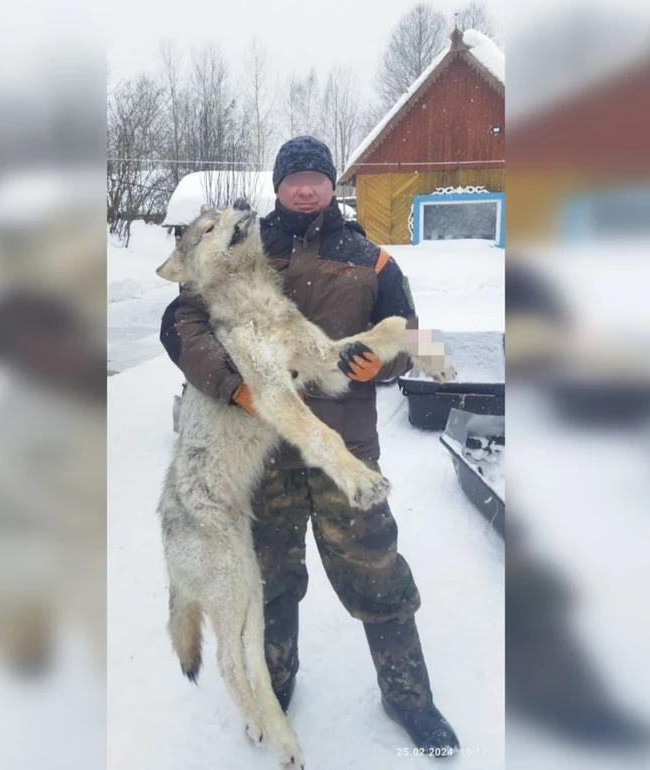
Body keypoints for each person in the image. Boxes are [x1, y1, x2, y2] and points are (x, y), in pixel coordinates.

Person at [160, 135, 460, 754]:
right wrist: (233, 385)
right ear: (278, 185)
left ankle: (410, 698)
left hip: (344, 449)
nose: (304, 187)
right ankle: (276, 686)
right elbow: (180, 321)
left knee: (377, 574)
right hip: (259, 456)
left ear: (330, 185)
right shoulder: (242, 243)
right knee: (269, 585)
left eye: (315, 177)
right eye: (293, 177)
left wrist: (382, 366)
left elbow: (409, 336)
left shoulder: (371, 259)